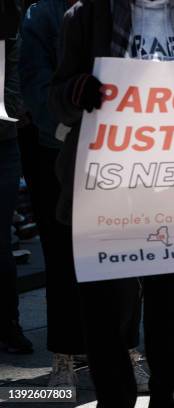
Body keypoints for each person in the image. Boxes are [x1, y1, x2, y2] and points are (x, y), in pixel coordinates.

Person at [49, 0, 174, 406]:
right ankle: (115, 398)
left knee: (168, 298)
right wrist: (76, 91)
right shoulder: (86, 17)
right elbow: (56, 96)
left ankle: (169, 395)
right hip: (105, 183)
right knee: (105, 304)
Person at [19, 0, 150, 390]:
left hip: (120, 149)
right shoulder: (42, 15)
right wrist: (79, 131)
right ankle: (64, 355)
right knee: (62, 255)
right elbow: (39, 91)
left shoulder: (122, 10)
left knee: (123, 254)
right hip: (56, 151)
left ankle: (128, 351)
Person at [0, 0, 33, 355]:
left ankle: (8, 323)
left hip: (1, 140)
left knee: (0, 243)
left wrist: (9, 109)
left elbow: (16, 68)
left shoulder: (9, 14)